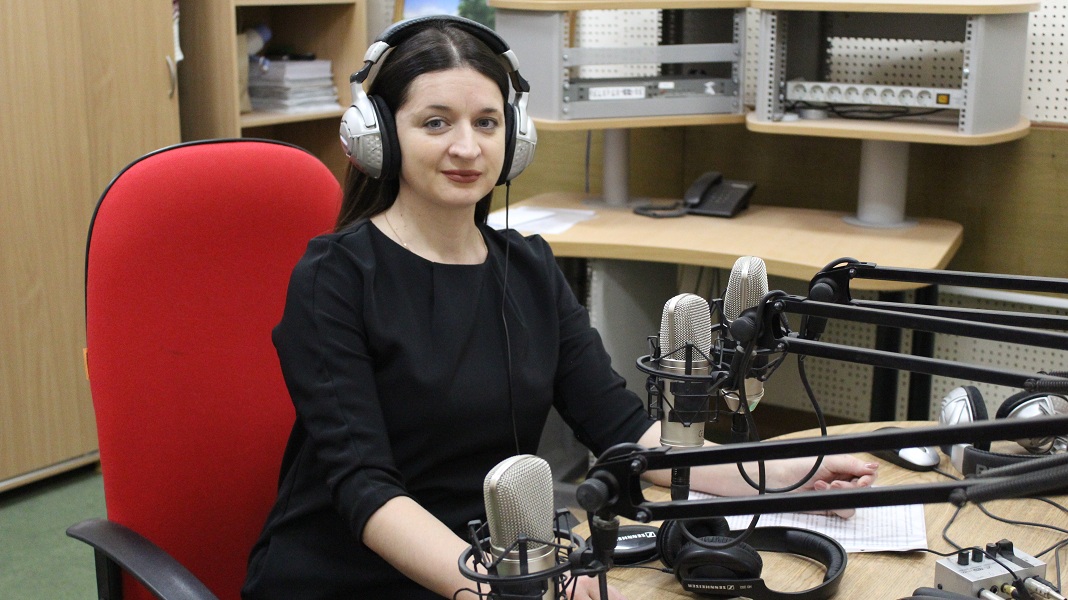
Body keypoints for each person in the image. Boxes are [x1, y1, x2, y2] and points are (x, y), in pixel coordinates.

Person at [241, 16, 878, 600]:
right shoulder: (336, 278)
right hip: (357, 576)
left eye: (486, 122)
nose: (467, 147)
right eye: (436, 123)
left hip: (503, 561)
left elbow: (629, 434)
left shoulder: (528, 269)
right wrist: (518, 591)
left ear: (514, 136)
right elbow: (368, 493)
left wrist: (789, 474)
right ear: (379, 135)